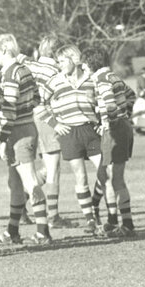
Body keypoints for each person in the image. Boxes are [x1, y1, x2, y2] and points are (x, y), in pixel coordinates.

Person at [0, 33, 53, 246]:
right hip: (27, 127)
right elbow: (37, 97)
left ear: (5, 50)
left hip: (18, 132)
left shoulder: (10, 73)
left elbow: (9, 109)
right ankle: (12, 231)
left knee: (29, 182)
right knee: (15, 183)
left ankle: (43, 232)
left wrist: (2, 139)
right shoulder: (24, 69)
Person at [40, 43, 105, 235]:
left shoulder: (91, 79)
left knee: (105, 170)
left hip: (90, 131)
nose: (60, 65)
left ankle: (94, 205)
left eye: (62, 61)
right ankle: (90, 220)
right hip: (69, 133)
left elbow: (102, 101)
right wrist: (55, 124)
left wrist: (97, 111)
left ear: (73, 59)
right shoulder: (55, 81)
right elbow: (38, 105)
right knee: (80, 176)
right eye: (58, 61)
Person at [82, 44, 137, 238]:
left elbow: (110, 105)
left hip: (114, 131)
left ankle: (127, 225)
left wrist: (106, 123)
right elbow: (131, 95)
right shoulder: (113, 76)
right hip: (122, 128)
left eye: (84, 65)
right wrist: (125, 116)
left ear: (91, 63)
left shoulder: (101, 79)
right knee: (106, 175)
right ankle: (113, 221)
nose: (82, 68)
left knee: (115, 179)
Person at [23, 33, 72, 227]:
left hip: (26, 119)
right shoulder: (56, 71)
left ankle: (19, 207)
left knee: (30, 170)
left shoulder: (29, 66)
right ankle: (53, 216)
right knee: (52, 169)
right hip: (46, 118)